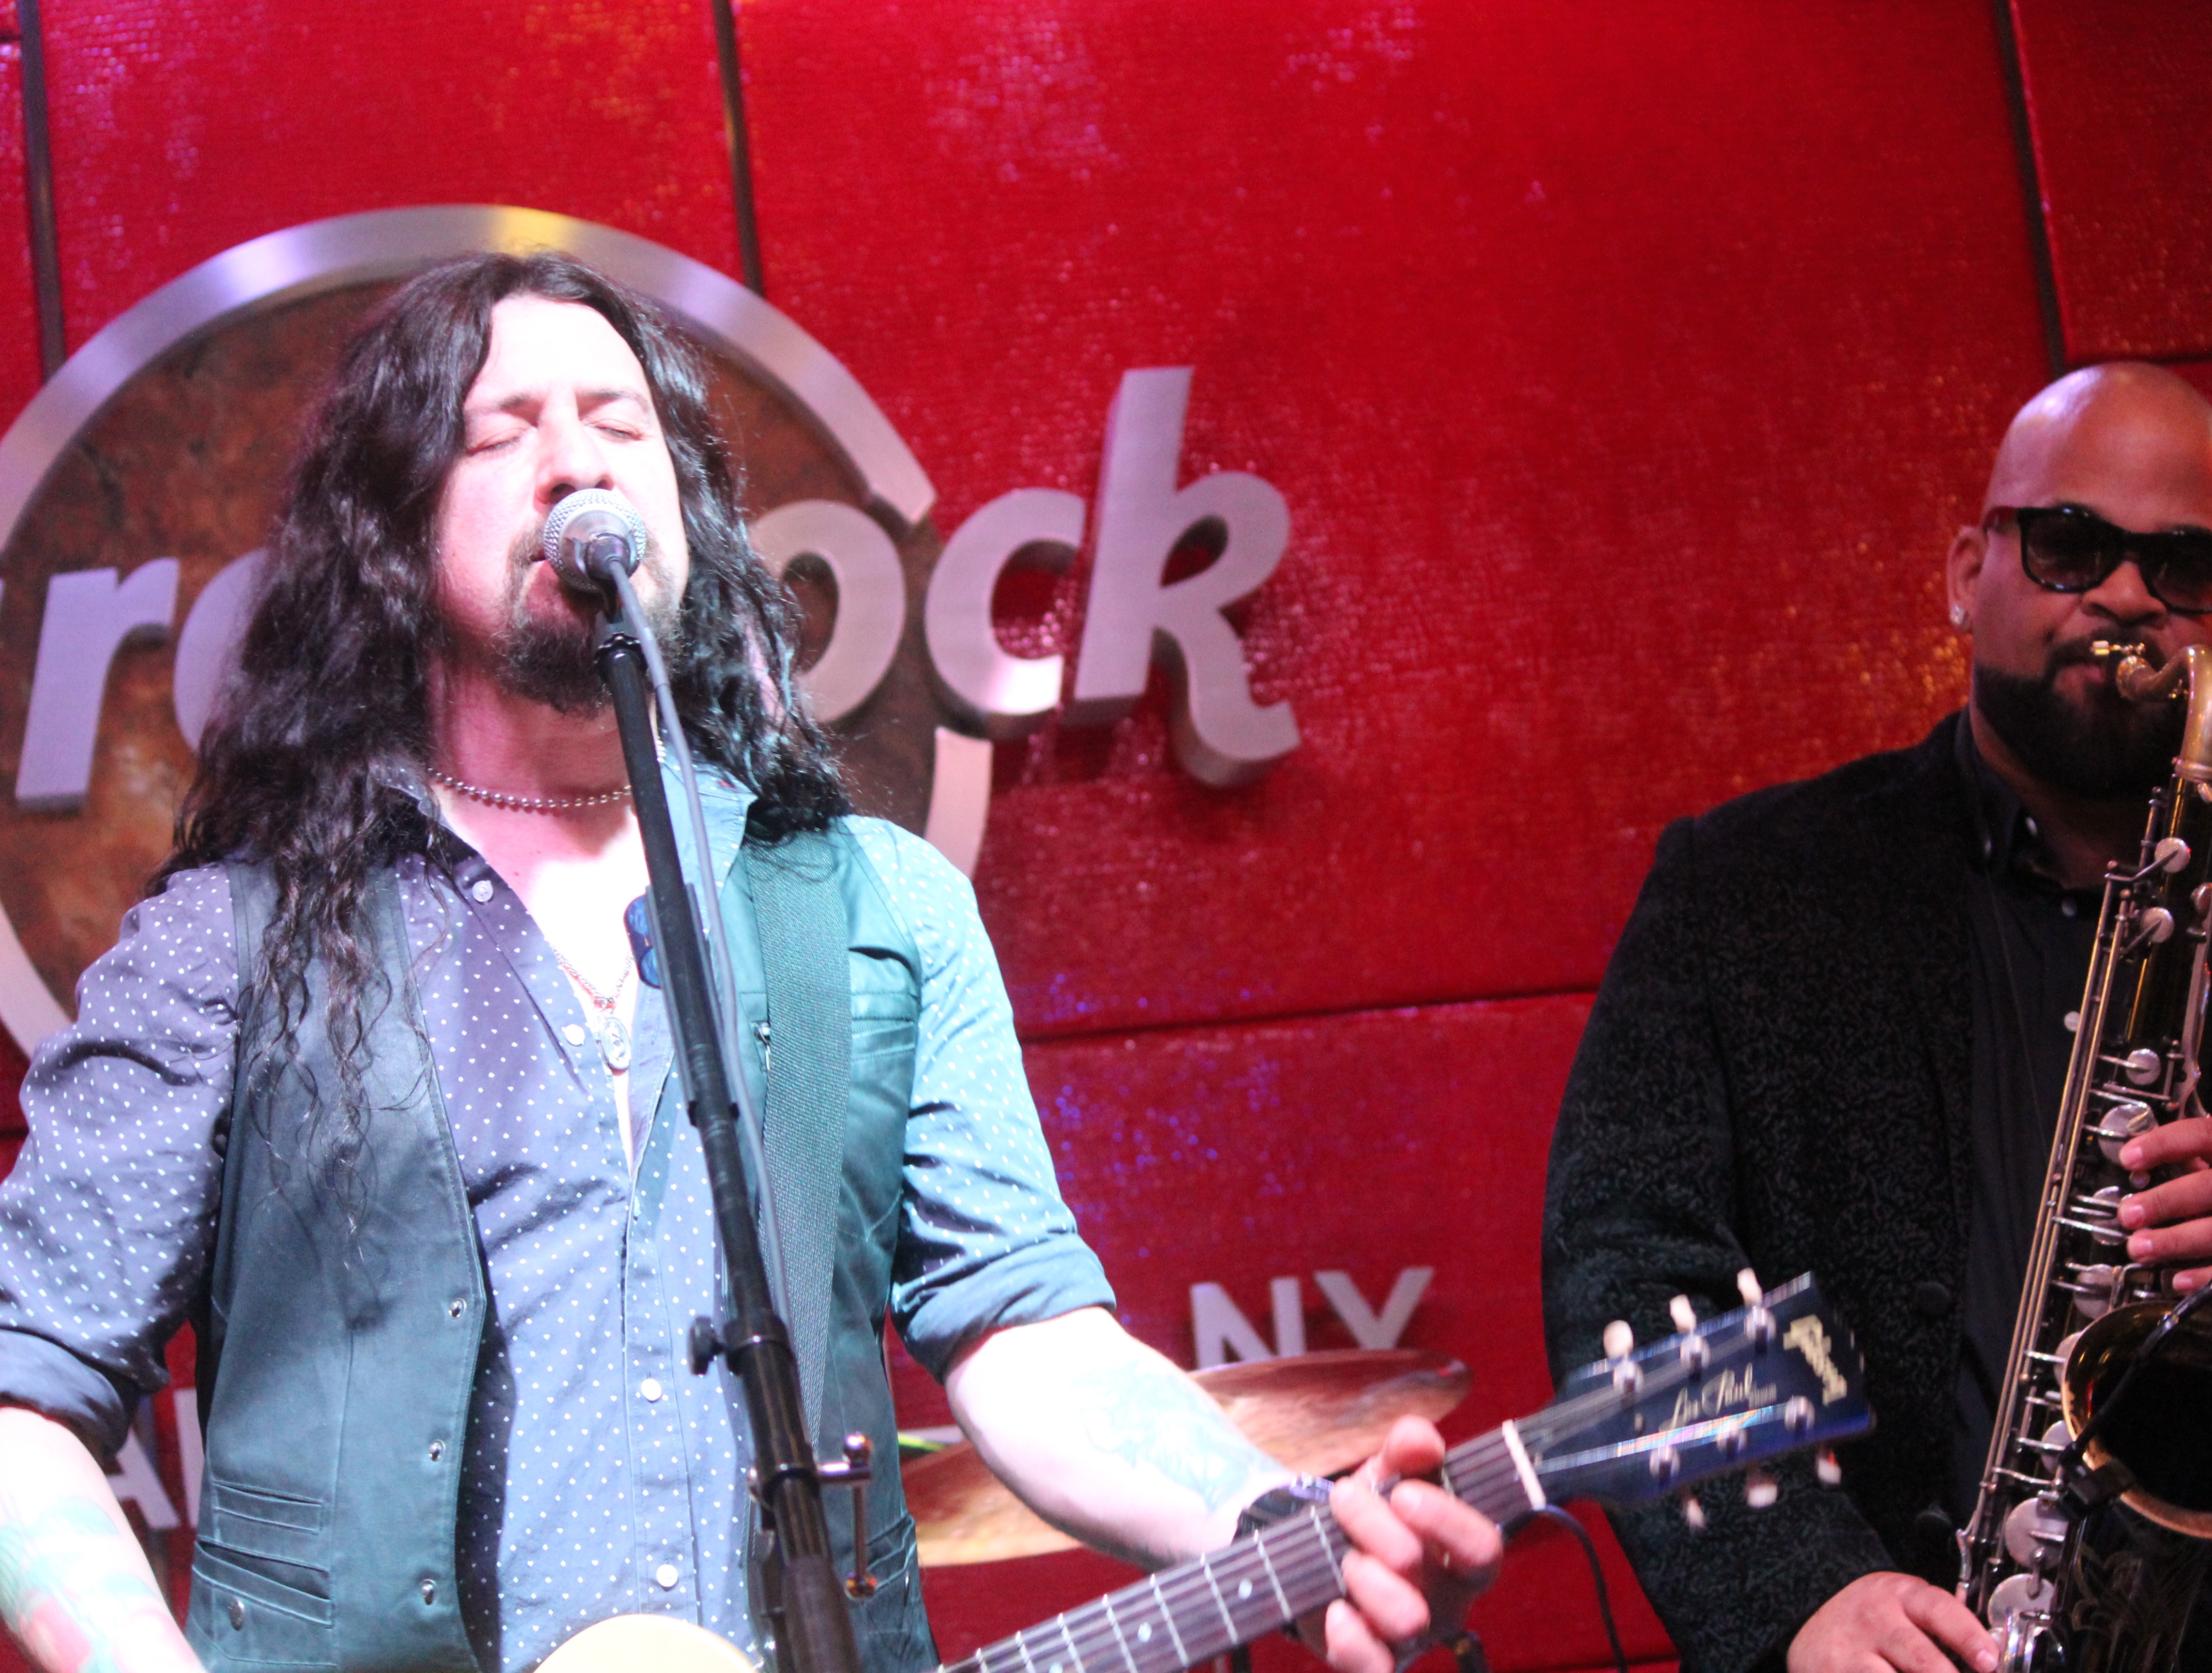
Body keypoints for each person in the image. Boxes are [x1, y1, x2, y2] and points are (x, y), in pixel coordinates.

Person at [0, 253, 1501, 1673]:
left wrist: (1271, 1520)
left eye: (620, 425)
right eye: (502, 431)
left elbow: (1023, 1331)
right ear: (391, 534)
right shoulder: (239, 940)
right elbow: (21, 1404)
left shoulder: (866, 903)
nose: (577, 464)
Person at [1542, 363, 2212, 1673]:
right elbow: (1631, 1277)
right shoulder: (1746, 889)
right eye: (2069, 545)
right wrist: (1799, 1594)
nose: (2126, 597)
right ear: (1966, 574)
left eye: (2185, 567)